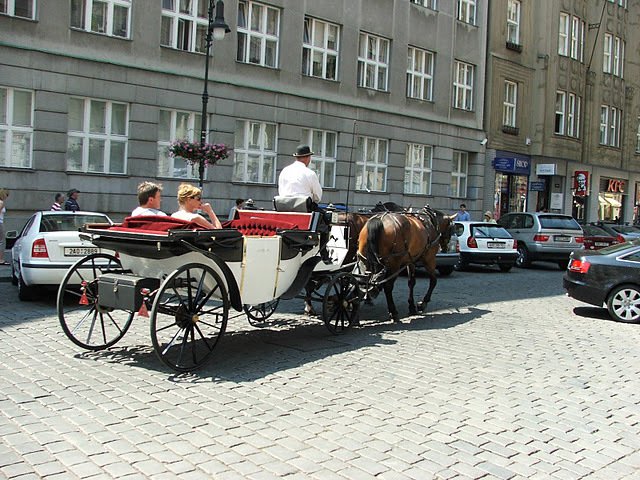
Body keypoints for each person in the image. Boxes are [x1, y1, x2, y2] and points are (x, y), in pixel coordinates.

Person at [0, 189, 8, 265]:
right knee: (2, 241)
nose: (7, 196)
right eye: (6, 195)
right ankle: (1, 259)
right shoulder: (1, 203)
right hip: (0, 223)